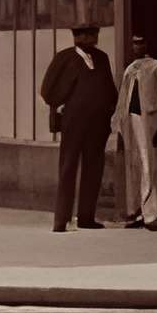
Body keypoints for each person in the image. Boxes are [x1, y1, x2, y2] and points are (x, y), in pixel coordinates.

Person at [40, 17, 120, 231]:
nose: (91, 38)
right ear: (77, 37)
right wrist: (63, 103)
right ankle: (61, 220)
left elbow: (110, 88)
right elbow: (47, 90)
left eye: (93, 34)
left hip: (98, 124)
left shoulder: (101, 58)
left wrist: (109, 108)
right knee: (68, 167)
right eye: (85, 34)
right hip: (73, 123)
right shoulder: (64, 58)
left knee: (94, 168)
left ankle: (86, 217)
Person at [118, 30, 157, 229]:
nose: (137, 47)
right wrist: (119, 127)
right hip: (131, 122)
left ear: (147, 45)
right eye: (134, 43)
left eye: (140, 43)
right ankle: (136, 211)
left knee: (150, 164)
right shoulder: (130, 69)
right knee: (135, 165)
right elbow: (122, 101)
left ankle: (152, 213)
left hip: (149, 122)